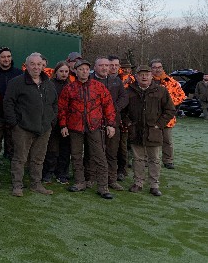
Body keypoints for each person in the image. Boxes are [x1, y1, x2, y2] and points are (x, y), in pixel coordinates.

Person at [58, 59, 117, 200]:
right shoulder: (69, 88)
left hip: (94, 126)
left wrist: (111, 124)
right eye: (80, 69)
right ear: (76, 71)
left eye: (86, 69)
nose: (84, 71)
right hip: (75, 127)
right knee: (76, 156)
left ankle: (103, 187)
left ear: (89, 71)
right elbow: (62, 108)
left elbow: (108, 106)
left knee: (100, 157)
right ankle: (80, 182)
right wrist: (63, 125)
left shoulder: (98, 87)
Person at [3, 53, 58, 196]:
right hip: (22, 128)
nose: (36, 67)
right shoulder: (16, 82)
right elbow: (8, 103)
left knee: (38, 159)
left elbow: (54, 104)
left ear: (43, 66)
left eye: (39, 64)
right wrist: (15, 123)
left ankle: (36, 184)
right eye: (32, 64)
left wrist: (51, 121)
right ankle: (17, 186)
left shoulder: (48, 84)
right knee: (20, 158)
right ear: (26, 65)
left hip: (44, 129)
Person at [123, 65, 176, 196]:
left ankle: (154, 185)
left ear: (151, 76)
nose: (144, 76)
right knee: (138, 159)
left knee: (154, 160)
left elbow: (170, 110)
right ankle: (138, 183)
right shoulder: (129, 91)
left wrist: (159, 124)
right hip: (136, 131)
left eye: (147, 74)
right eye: (141, 74)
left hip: (154, 132)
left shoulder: (161, 91)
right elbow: (122, 111)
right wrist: (129, 123)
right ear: (136, 76)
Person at [0, 46, 22, 187]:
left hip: (14, 118)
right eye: (3, 57)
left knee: (15, 148)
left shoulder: (19, 74)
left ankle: (15, 178)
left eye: (8, 56)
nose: (6, 59)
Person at [91, 57, 128, 191]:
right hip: (94, 122)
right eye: (101, 65)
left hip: (113, 122)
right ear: (95, 67)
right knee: (92, 152)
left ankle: (111, 179)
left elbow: (124, 98)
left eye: (107, 65)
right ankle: (91, 178)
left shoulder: (116, 81)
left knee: (112, 152)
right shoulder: (89, 80)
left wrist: (114, 108)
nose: (105, 68)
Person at [150, 59, 186, 169]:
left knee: (167, 141)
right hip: (150, 116)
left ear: (162, 68)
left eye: (159, 67)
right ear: (151, 69)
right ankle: (148, 160)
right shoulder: (146, 81)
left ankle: (168, 160)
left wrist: (169, 107)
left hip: (167, 118)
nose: (157, 69)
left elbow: (181, 96)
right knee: (149, 139)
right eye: (154, 67)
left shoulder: (172, 82)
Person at [42, 61, 71, 184]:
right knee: (52, 149)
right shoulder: (49, 85)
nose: (64, 74)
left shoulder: (71, 86)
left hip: (68, 123)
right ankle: (48, 172)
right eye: (61, 71)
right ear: (56, 72)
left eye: (66, 71)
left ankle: (62, 173)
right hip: (53, 121)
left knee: (65, 150)